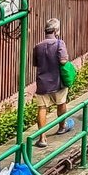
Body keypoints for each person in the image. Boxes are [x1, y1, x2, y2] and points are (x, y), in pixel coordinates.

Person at [32, 18, 72, 148]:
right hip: (57, 81)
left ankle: (42, 138)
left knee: (42, 108)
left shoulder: (38, 46)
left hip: (42, 82)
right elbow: (63, 61)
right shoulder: (60, 44)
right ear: (56, 31)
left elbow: (36, 63)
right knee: (61, 103)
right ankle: (62, 127)